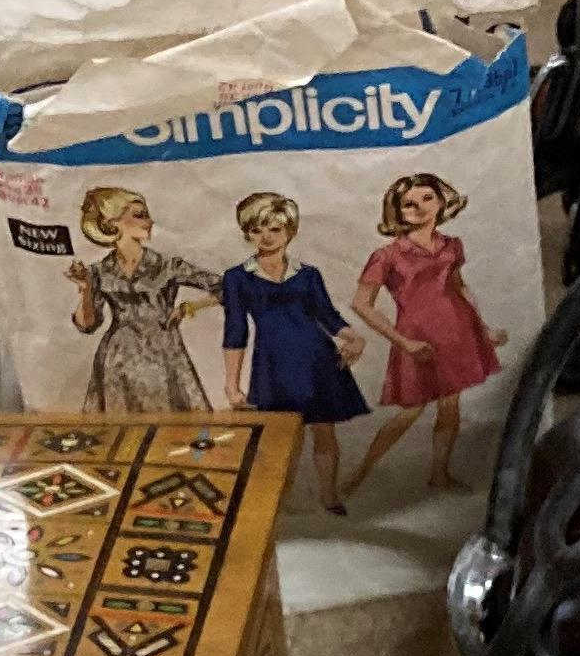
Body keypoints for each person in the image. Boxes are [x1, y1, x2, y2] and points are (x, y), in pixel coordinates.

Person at [351, 172, 506, 493]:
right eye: (409, 204)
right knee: (409, 413)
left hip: (457, 332)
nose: (419, 208)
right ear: (398, 211)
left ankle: (439, 474)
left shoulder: (451, 246)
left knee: (451, 407)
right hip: (417, 339)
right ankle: (357, 477)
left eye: (426, 199)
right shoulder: (387, 256)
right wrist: (404, 342)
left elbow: (459, 287)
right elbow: (361, 304)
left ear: (440, 201)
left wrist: (483, 328)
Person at [219, 192, 371, 514]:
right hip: (273, 365)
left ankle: (328, 495)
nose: (267, 237)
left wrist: (353, 337)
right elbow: (235, 331)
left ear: (290, 231)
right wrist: (231, 384)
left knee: (323, 430)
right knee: (276, 438)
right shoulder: (237, 278)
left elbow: (328, 316)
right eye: (258, 229)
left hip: (317, 359)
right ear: (247, 233)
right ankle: (273, 501)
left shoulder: (308, 274)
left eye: (275, 229)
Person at [66, 186, 212, 414]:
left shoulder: (167, 265)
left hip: (164, 356)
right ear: (112, 222)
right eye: (139, 215)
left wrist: (189, 307)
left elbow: (228, 286)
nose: (149, 221)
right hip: (118, 360)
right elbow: (87, 325)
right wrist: (86, 289)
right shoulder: (99, 271)